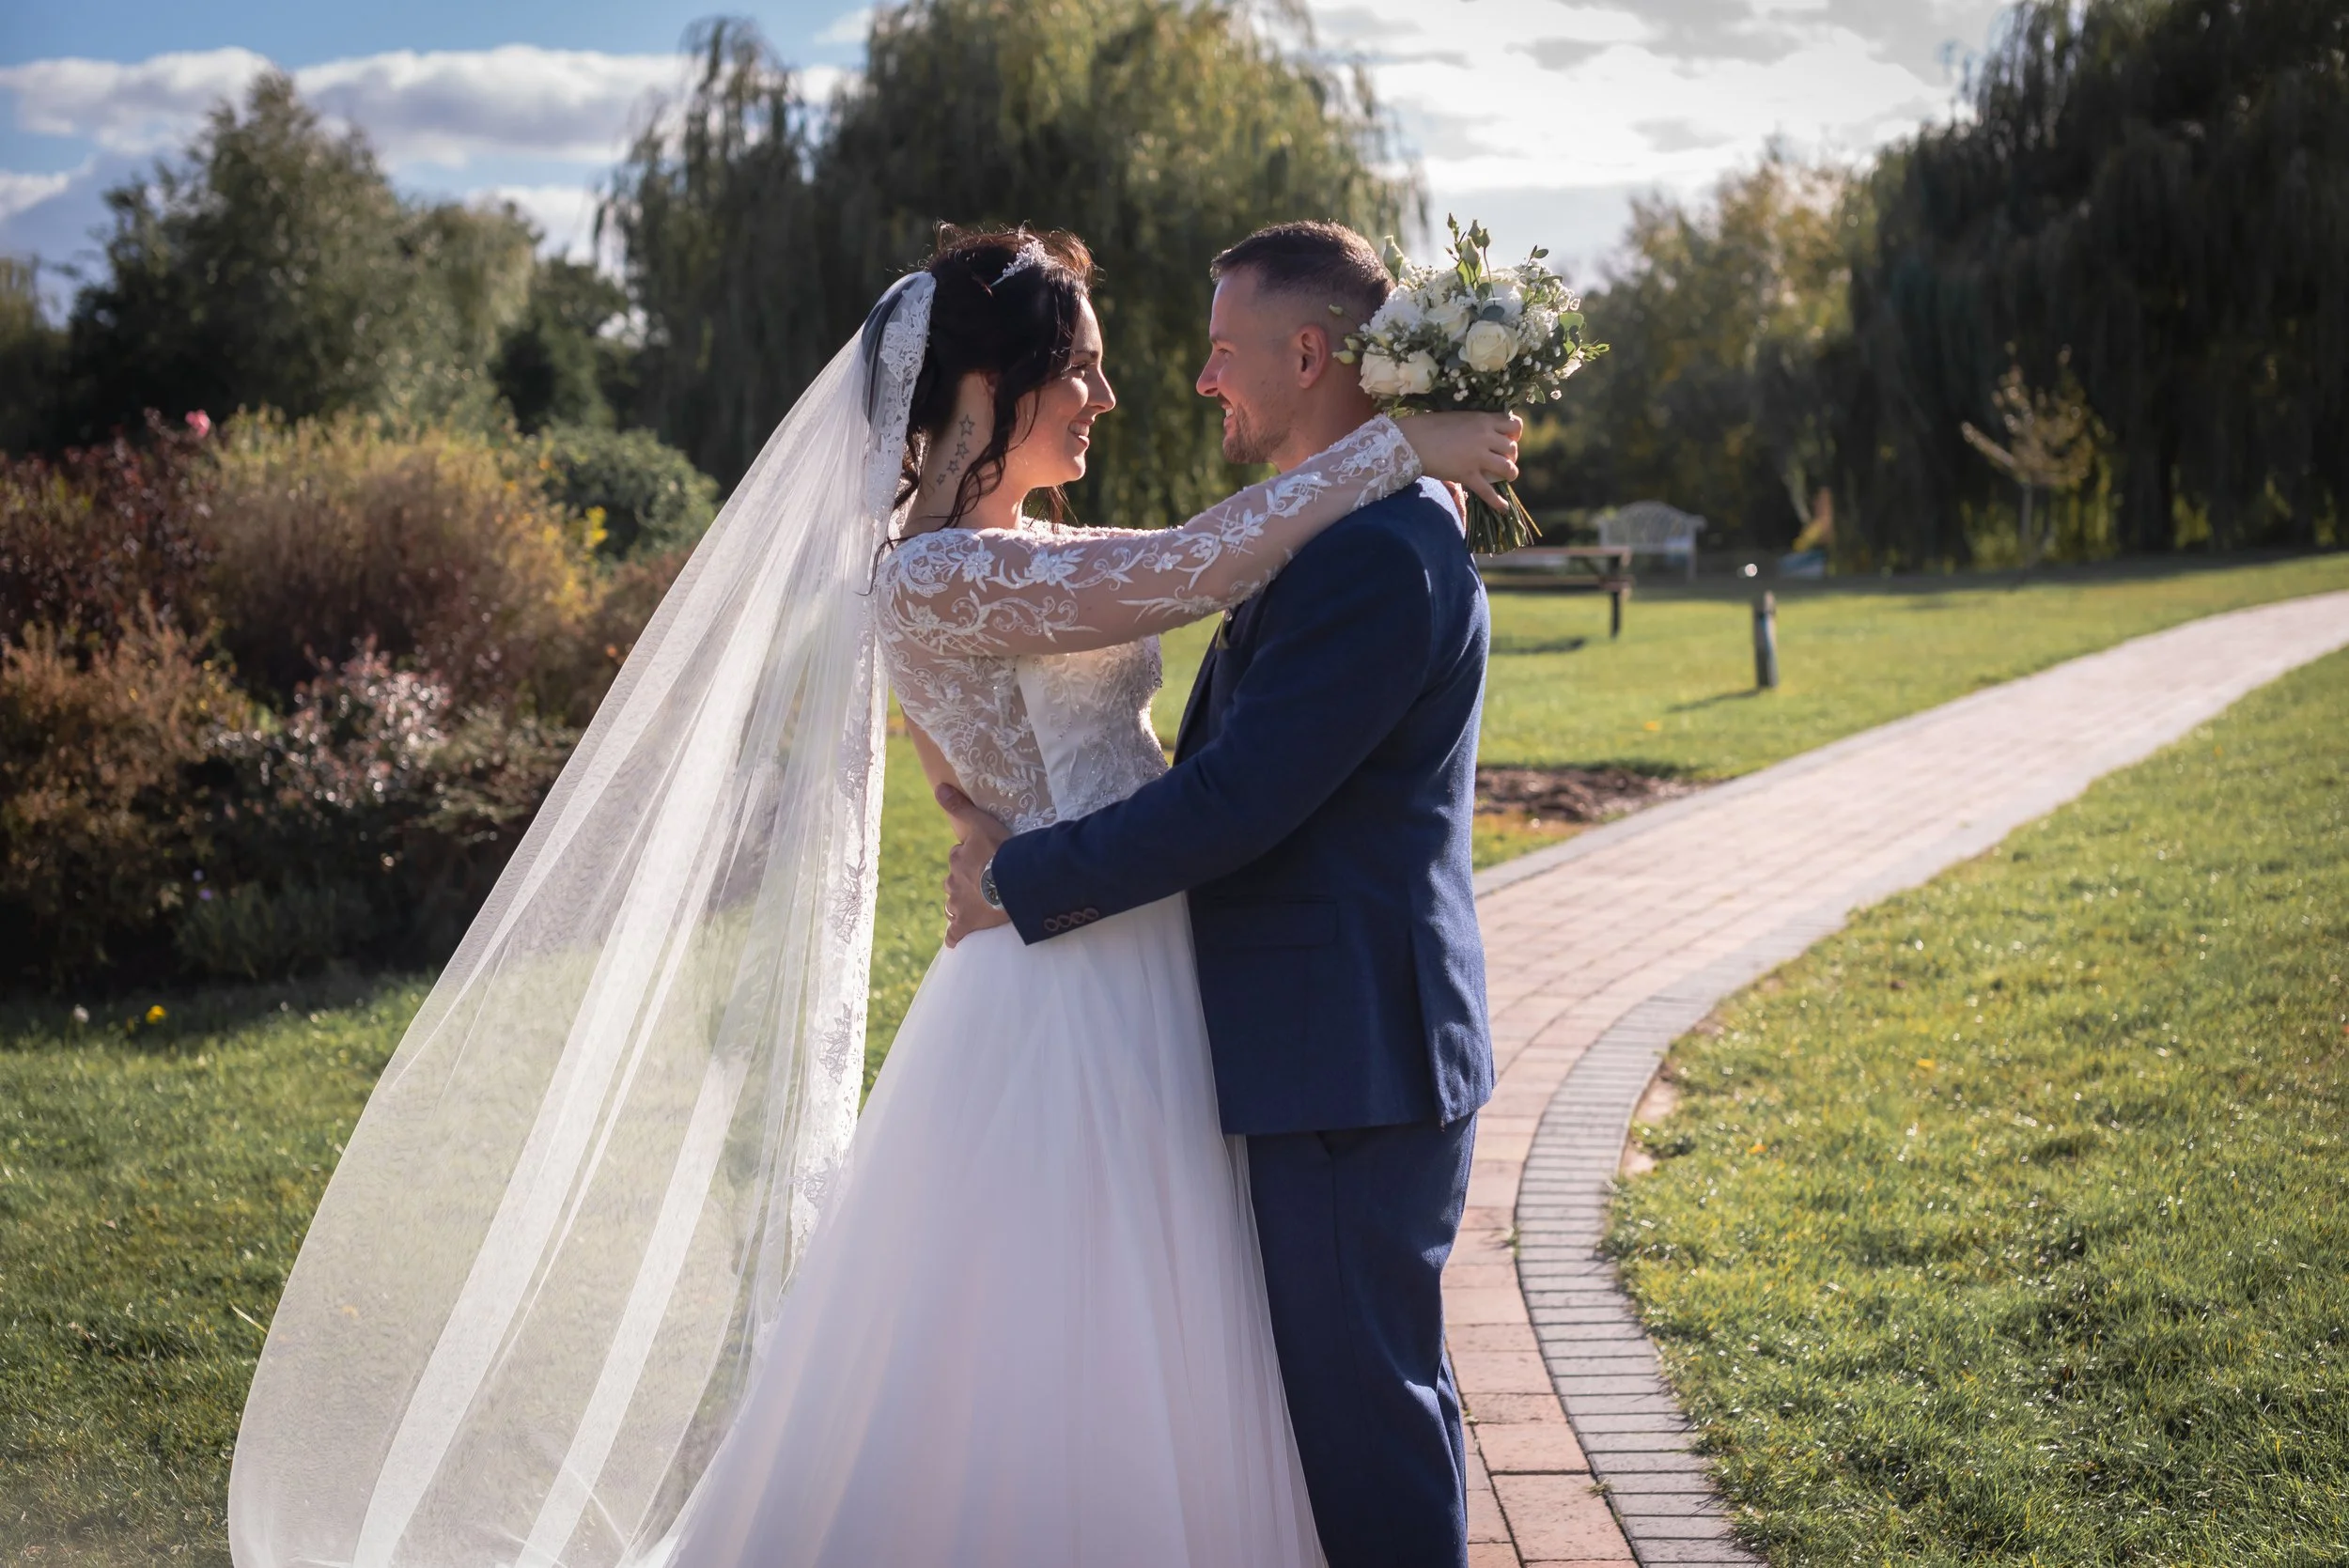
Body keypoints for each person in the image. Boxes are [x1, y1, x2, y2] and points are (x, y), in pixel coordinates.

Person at [225, 223, 1516, 1568]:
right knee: (1067, 1331)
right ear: (984, 392)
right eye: (1080, 368)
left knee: (1189, 1332)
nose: (1118, 396)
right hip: (1067, 976)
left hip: (1141, 964)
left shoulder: (1050, 546)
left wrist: (1391, 461)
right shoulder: (939, 571)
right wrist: (1397, 446)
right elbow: (1191, 571)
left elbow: (1216, 554)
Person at [939, 220, 1498, 1568]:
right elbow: (1192, 573)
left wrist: (1019, 875)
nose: (1197, 381)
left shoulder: (1374, 553)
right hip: (1310, 1043)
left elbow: (1238, 803)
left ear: (1308, 354)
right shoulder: (1345, 528)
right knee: (1355, 1397)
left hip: (1347, 1056)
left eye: (1220, 350)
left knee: (1365, 1419)